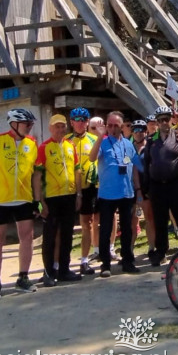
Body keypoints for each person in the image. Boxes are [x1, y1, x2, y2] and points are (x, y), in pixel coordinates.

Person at [0, 109, 40, 299]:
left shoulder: (32, 144)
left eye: (31, 124)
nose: (29, 127)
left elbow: (36, 175)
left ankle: (23, 278)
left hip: (24, 198)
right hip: (0, 200)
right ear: (14, 124)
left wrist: (37, 200)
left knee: (27, 238)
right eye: (26, 124)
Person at [88, 111, 144, 276]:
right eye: (109, 125)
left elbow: (135, 167)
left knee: (127, 229)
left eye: (116, 125)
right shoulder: (103, 143)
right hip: (107, 194)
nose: (112, 128)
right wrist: (99, 137)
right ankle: (105, 264)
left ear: (121, 126)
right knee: (105, 229)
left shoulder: (128, 144)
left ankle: (127, 261)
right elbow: (91, 158)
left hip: (126, 192)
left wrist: (138, 189)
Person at [142, 105, 178, 266]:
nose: (164, 122)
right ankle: (161, 251)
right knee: (160, 220)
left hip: (177, 184)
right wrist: (146, 188)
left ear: (171, 119)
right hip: (157, 186)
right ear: (157, 123)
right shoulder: (151, 141)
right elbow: (146, 164)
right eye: (160, 120)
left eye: (166, 119)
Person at [34, 114, 83, 286]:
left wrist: (78, 194)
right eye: (57, 126)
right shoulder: (44, 147)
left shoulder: (71, 145)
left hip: (69, 197)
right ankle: (48, 272)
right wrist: (40, 201)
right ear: (50, 128)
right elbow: (37, 176)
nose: (60, 129)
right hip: (51, 199)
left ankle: (64, 270)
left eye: (63, 126)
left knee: (67, 235)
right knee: (49, 236)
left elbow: (77, 171)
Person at [66, 107, 99, 276]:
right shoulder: (65, 140)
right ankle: (60, 263)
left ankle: (84, 261)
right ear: (71, 122)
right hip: (67, 189)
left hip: (88, 188)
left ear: (87, 122)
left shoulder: (94, 139)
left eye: (83, 120)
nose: (80, 123)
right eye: (77, 120)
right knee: (63, 226)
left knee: (87, 224)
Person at [130, 120, 152, 260]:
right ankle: (129, 249)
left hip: (146, 187)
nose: (138, 132)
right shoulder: (128, 147)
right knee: (132, 220)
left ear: (146, 131)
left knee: (149, 218)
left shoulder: (150, 147)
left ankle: (151, 248)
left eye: (141, 129)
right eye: (135, 130)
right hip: (130, 189)